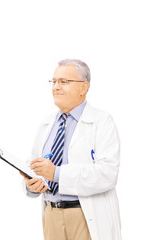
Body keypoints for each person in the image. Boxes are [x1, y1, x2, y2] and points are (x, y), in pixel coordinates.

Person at [21, 59, 121, 240]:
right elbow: (34, 163)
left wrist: (57, 173)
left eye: (64, 82)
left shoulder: (102, 122)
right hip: (51, 215)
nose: (56, 87)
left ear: (83, 87)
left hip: (84, 215)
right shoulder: (47, 124)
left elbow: (108, 174)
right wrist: (33, 184)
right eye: (54, 81)